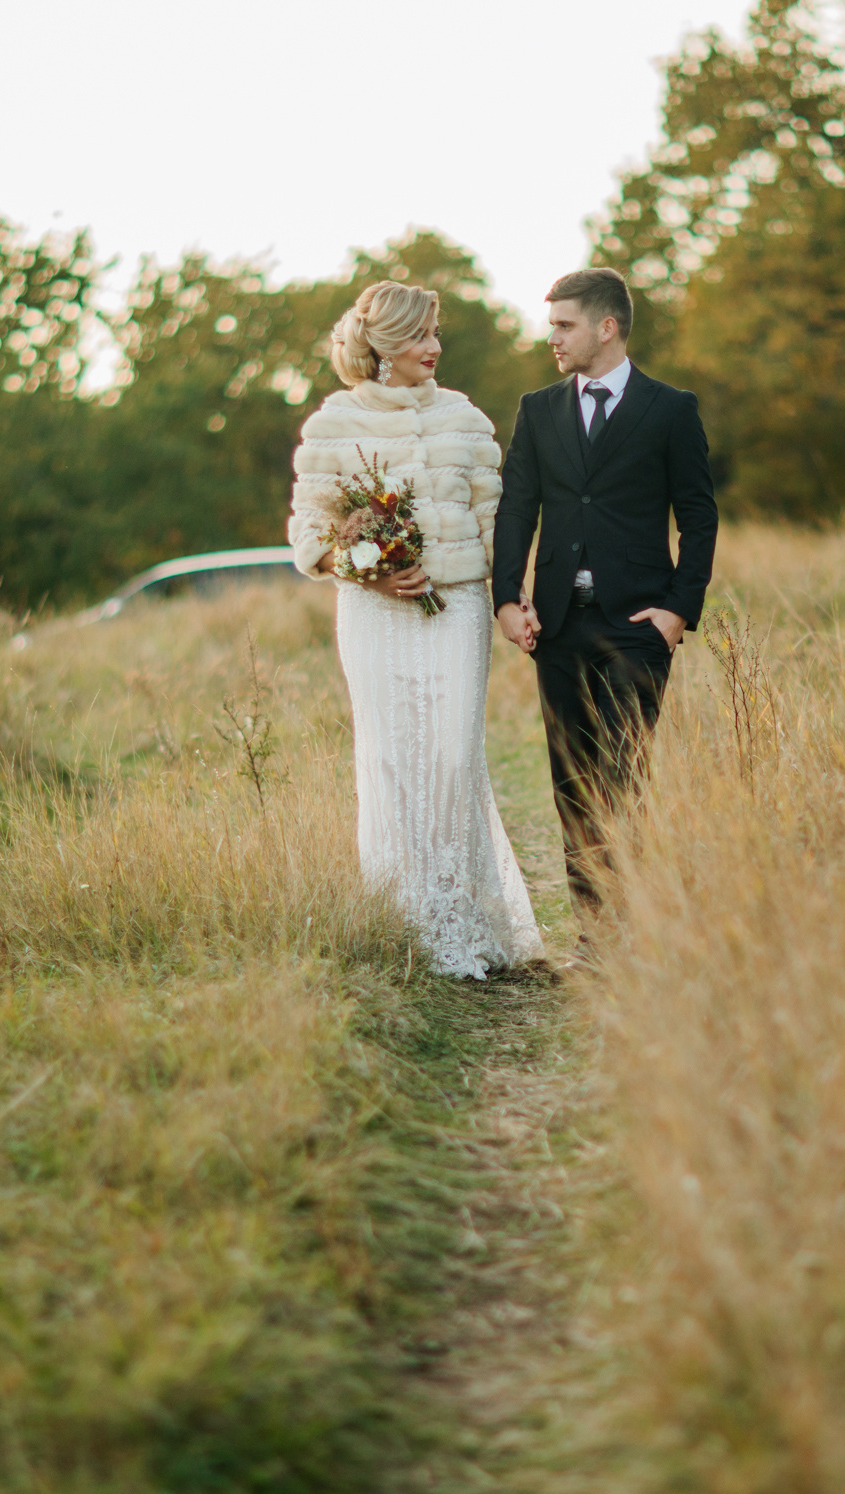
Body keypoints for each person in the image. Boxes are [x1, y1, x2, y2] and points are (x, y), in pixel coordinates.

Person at [287, 280, 544, 978]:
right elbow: (309, 532)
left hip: (456, 608)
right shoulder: (334, 423)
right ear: (385, 345)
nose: (434, 346)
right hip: (373, 615)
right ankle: (407, 924)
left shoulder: (465, 418)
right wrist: (365, 570)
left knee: (454, 756)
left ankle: (465, 920)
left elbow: (496, 522)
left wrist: (512, 598)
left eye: (436, 334)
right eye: (420, 335)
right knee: (393, 759)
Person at [492, 267, 718, 920]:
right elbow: (517, 506)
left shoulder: (670, 409)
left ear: (607, 327)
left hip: (638, 625)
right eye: (552, 325)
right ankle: (595, 935)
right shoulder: (538, 410)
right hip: (557, 626)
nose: (553, 338)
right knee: (573, 784)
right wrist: (507, 596)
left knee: (623, 778)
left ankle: (626, 924)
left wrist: (677, 610)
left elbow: (698, 516)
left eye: (565, 325)